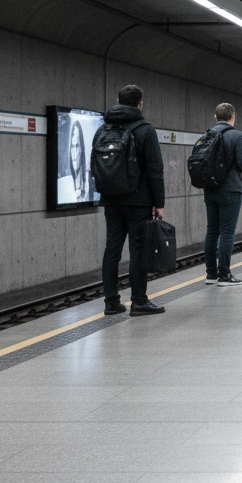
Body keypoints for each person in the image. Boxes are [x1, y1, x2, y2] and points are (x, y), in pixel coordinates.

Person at [98, 84, 166, 316]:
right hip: (139, 200)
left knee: (112, 249)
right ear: (140, 103)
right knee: (138, 250)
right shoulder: (145, 130)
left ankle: (111, 302)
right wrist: (159, 203)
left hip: (111, 199)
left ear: (118, 100)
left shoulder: (105, 128)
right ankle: (139, 301)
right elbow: (155, 169)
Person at [203, 102, 242, 285]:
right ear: (233, 117)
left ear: (216, 117)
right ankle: (224, 275)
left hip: (210, 189)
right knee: (227, 232)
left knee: (212, 231)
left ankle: (210, 274)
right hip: (230, 189)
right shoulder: (237, 135)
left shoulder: (206, 135)